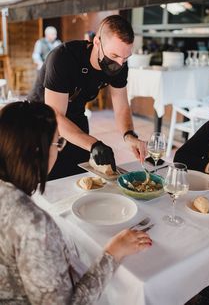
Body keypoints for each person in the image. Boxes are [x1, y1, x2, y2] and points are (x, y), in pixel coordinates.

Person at [0, 101, 152, 304]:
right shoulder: (33, 224)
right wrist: (113, 252)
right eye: (58, 143)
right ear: (38, 151)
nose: (59, 150)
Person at [28, 15, 146, 180]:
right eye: (114, 56)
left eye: (125, 58)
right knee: (48, 180)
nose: (119, 64)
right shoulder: (63, 58)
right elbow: (55, 116)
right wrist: (94, 144)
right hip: (41, 119)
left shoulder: (120, 65)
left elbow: (122, 107)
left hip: (75, 116)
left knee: (79, 176)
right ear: (97, 42)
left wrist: (129, 135)